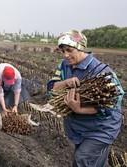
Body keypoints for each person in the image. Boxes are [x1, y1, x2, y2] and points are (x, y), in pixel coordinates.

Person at [47, 30, 124, 167]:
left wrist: (79, 109)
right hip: (79, 127)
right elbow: (51, 88)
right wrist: (65, 82)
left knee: (82, 159)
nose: (66, 55)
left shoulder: (102, 71)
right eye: (62, 51)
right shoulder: (64, 66)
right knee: (89, 162)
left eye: (70, 50)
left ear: (80, 48)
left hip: (101, 128)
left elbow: (110, 106)